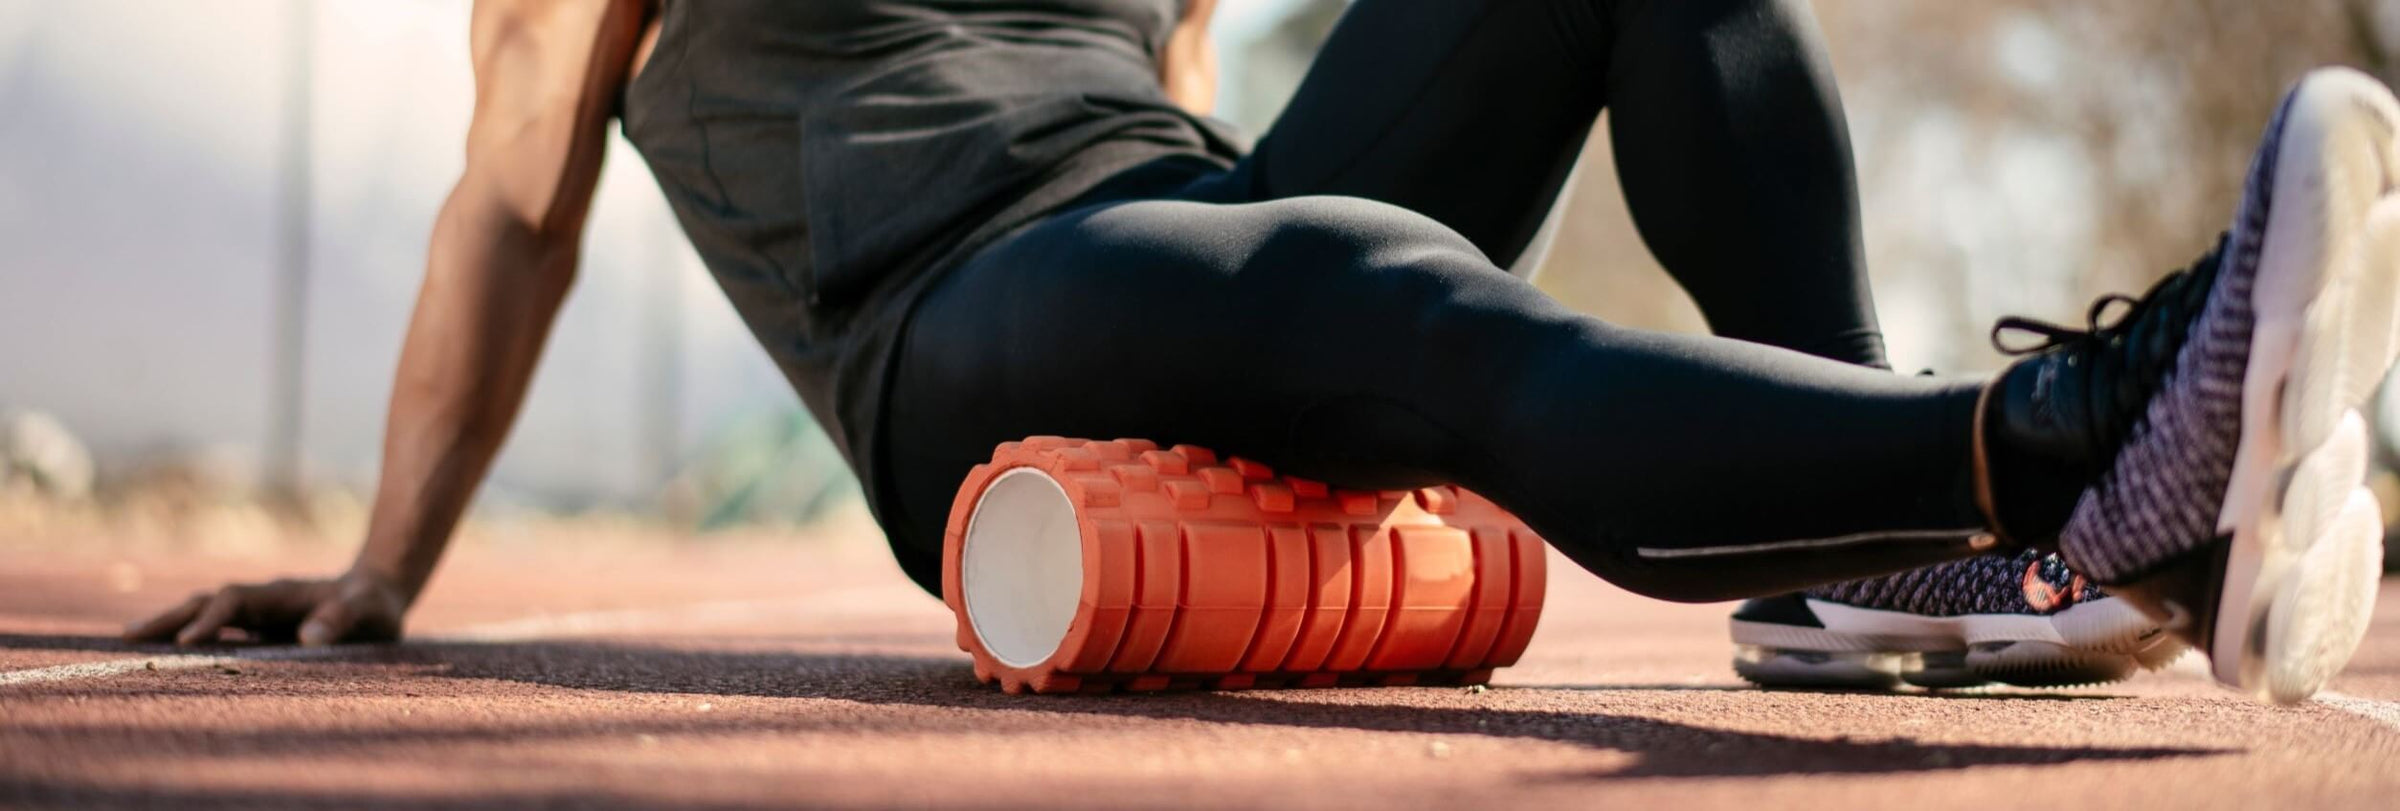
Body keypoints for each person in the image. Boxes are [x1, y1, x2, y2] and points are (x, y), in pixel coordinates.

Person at [127, 0, 2398, 702]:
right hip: (959, 311)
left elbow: (1185, 86)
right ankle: (2076, 446)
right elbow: (519, 181)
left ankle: (1883, 555)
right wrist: (384, 570)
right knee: (1363, 290)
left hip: (1182, 228)